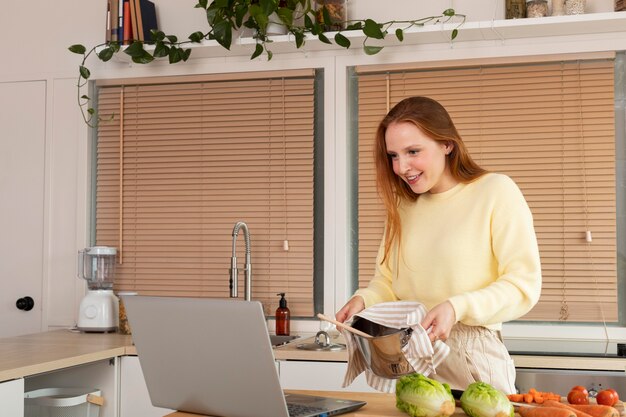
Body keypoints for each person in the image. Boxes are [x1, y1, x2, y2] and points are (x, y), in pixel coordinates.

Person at [336, 96, 542, 394]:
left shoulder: (495, 191)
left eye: (413, 151)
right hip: (412, 357)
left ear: (447, 144)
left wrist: (457, 307)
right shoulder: (403, 207)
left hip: (471, 355)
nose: (401, 167)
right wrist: (364, 300)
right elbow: (388, 283)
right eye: (393, 155)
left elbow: (523, 285)